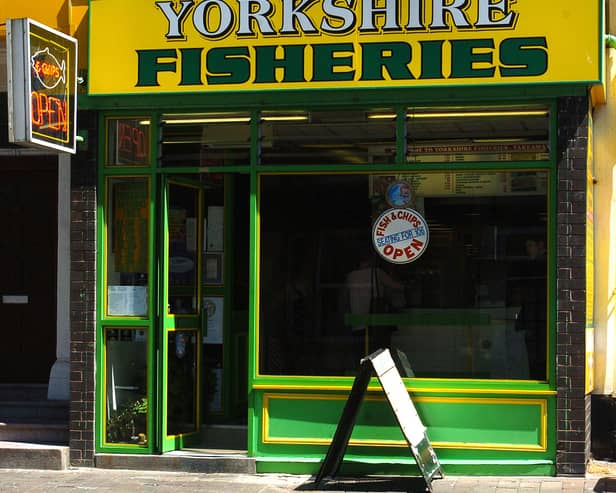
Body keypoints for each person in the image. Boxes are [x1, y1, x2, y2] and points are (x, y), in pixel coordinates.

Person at [345, 250, 403, 361]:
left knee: (360, 354)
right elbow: (397, 287)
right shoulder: (376, 272)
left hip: (357, 322)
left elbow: (345, 299)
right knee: (378, 354)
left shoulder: (351, 276)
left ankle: (362, 375)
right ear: (371, 259)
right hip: (374, 322)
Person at [515, 237, 547, 380]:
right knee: (534, 356)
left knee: (537, 356)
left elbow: (531, 296)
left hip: (538, 319)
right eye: (526, 246)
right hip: (534, 319)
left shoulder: (541, 265)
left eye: (530, 245)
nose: (528, 250)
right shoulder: (534, 264)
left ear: (540, 245)